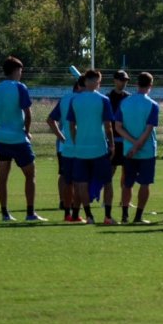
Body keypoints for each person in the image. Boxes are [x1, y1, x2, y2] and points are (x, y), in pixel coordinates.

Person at [0, 56, 44, 222]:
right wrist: (27, 131)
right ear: (15, 70)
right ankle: (30, 213)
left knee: (3, 177)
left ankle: (5, 213)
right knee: (30, 174)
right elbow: (28, 113)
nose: (21, 74)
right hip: (18, 138)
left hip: (1, 138)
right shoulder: (20, 87)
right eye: (20, 70)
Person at [67, 69, 117, 225]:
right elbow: (108, 125)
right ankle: (108, 216)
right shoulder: (103, 100)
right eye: (99, 81)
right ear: (95, 82)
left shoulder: (75, 100)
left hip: (81, 149)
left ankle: (88, 216)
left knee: (81, 183)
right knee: (107, 182)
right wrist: (112, 144)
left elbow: (72, 125)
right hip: (99, 148)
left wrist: (76, 141)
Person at [114, 72, 160, 225]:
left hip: (128, 150)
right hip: (146, 151)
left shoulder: (125, 102)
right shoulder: (153, 104)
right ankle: (138, 216)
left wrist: (132, 144)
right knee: (145, 184)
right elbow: (148, 130)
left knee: (127, 183)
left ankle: (125, 215)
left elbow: (118, 127)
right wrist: (138, 145)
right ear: (150, 86)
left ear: (136, 84)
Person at [47, 76, 86, 222]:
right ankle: (75, 208)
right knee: (79, 178)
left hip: (64, 145)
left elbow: (50, 120)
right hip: (79, 145)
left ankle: (65, 204)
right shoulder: (82, 100)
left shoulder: (64, 99)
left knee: (65, 177)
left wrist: (60, 136)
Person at [107, 70, 131, 204]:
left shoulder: (129, 97)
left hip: (125, 139)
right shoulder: (107, 97)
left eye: (125, 80)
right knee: (110, 171)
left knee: (126, 171)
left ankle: (124, 199)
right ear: (115, 80)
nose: (123, 83)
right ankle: (107, 199)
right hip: (112, 139)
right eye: (121, 80)